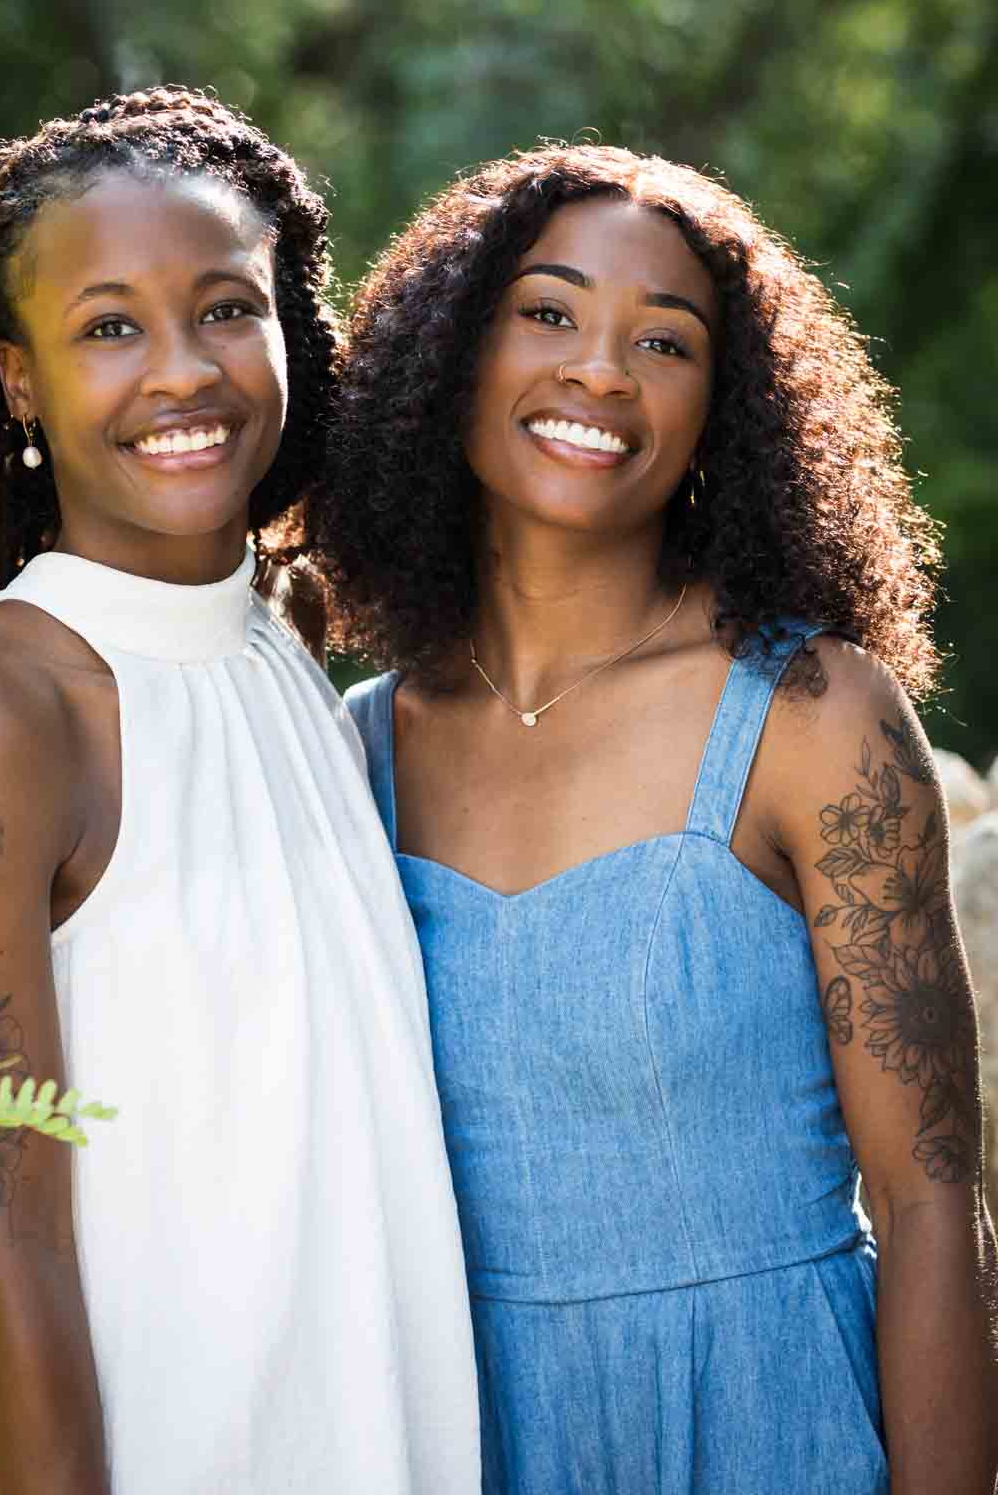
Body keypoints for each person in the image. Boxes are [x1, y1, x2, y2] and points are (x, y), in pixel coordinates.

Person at [312, 144, 998, 1494]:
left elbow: (930, 1210)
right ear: (451, 354)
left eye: (666, 343)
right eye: (548, 312)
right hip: (457, 1434)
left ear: (723, 411)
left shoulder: (813, 717)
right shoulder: (354, 750)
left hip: (773, 1425)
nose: (603, 372)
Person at [0, 86, 479, 1494]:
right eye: (106, 327)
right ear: (19, 377)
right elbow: (10, 1241)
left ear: (291, 329)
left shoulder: (288, 643)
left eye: (224, 308)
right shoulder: (0, 711)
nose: (182, 371)